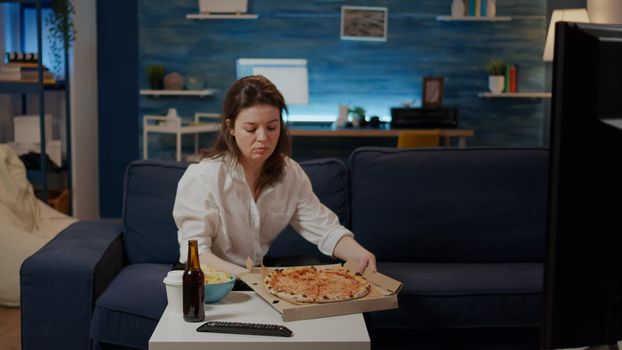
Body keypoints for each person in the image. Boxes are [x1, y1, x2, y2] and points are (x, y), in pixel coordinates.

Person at [173, 75, 376, 279]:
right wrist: (249, 278)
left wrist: (360, 254)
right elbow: (197, 254)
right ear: (231, 127)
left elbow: (325, 230)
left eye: (272, 127)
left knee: (310, 266)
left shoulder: (290, 174)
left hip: (255, 271)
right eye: (251, 129)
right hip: (209, 275)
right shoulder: (202, 178)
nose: (263, 138)